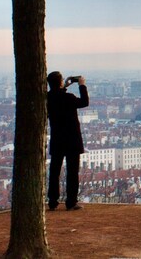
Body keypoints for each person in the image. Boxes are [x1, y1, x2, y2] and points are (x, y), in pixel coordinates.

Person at [47, 71, 89, 211]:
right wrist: (82, 85)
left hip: (57, 139)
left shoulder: (48, 98)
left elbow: (55, 95)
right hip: (71, 139)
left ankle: (52, 201)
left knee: (54, 171)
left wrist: (63, 86)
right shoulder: (69, 98)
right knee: (72, 172)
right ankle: (71, 202)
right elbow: (84, 102)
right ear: (60, 82)